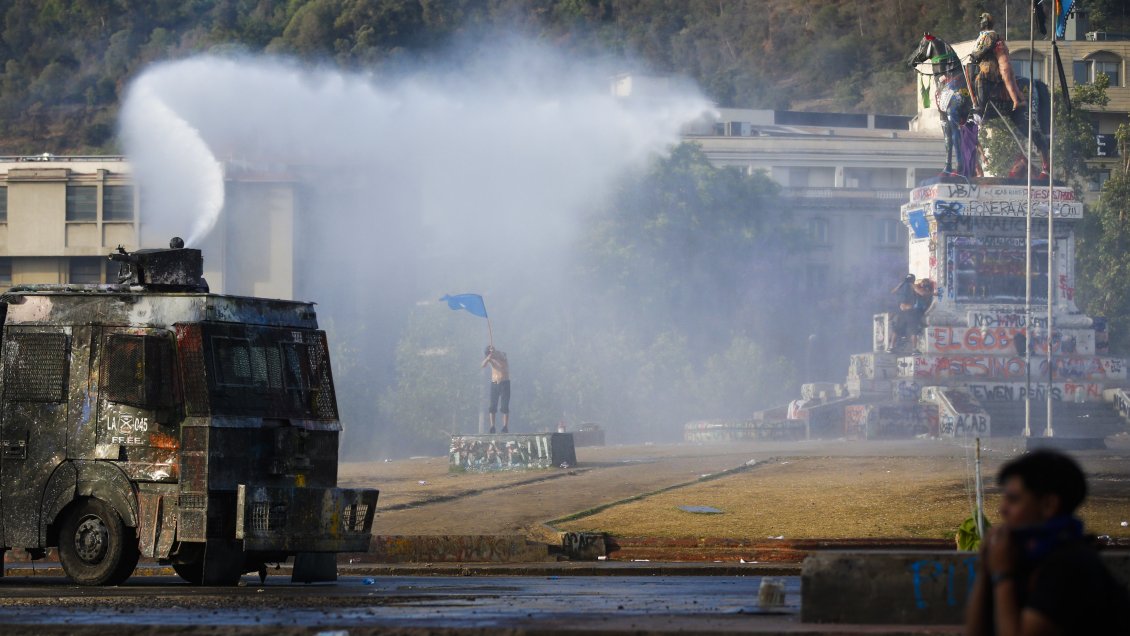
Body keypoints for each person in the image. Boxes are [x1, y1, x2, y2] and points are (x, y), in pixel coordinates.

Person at [965, 450, 1130, 635]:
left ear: (1048, 505)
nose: (1002, 510)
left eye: (1013, 500)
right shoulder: (1023, 554)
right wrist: (986, 568)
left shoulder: (1069, 565)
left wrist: (1003, 576)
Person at [971, 13, 1023, 114]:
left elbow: (987, 47)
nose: (979, 23)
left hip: (990, 65)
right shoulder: (983, 35)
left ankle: (981, 106)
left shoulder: (991, 34)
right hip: (981, 63)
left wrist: (977, 55)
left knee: (979, 78)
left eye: (981, 20)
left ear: (985, 22)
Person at [481, 345, 510, 434]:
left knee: (504, 406)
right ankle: (492, 426)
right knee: (492, 406)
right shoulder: (490, 359)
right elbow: (482, 365)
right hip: (494, 384)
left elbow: (501, 366)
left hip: (504, 383)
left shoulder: (502, 358)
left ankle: (505, 426)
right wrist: (488, 358)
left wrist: (493, 356)